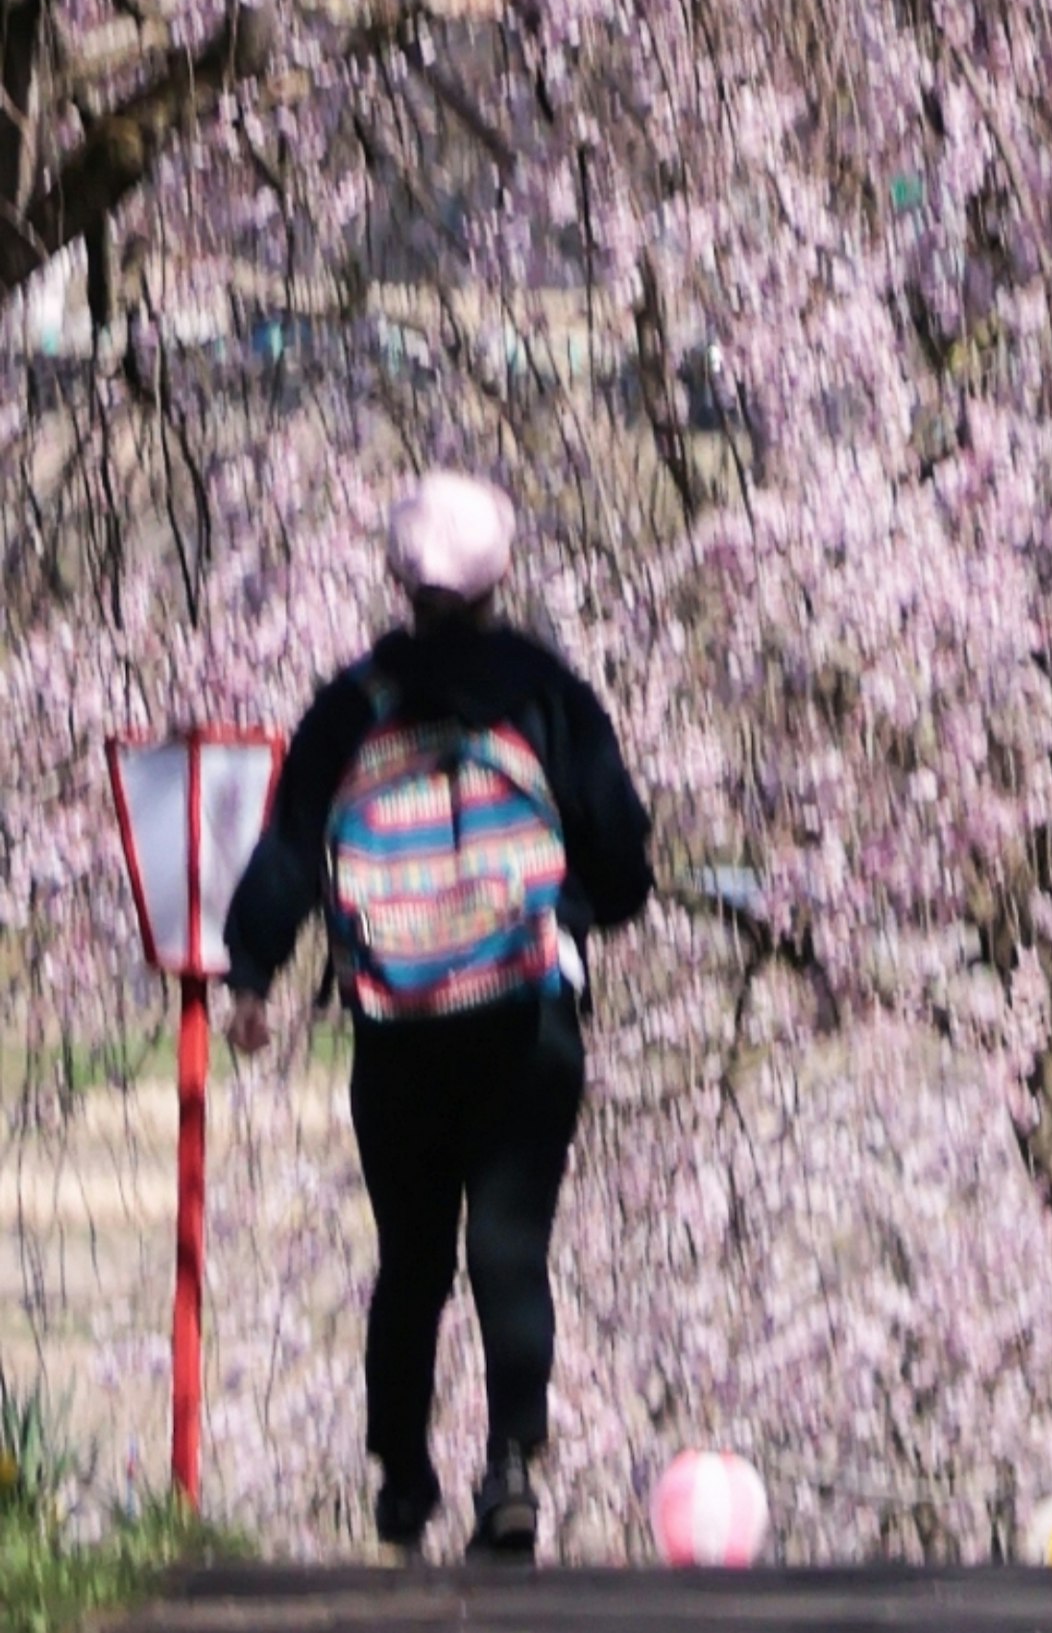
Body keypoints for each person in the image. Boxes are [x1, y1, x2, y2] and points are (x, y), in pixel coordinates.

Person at [221, 467, 654, 1563]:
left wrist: (253, 973)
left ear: (399, 577)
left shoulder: (352, 700)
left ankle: (403, 1477)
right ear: (500, 569)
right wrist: (582, 906)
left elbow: (289, 849)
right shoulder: (549, 691)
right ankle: (510, 1465)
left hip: (395, 1020)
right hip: (526, 1012)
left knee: (411, 1252)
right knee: (512, 1245)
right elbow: (624, 851)